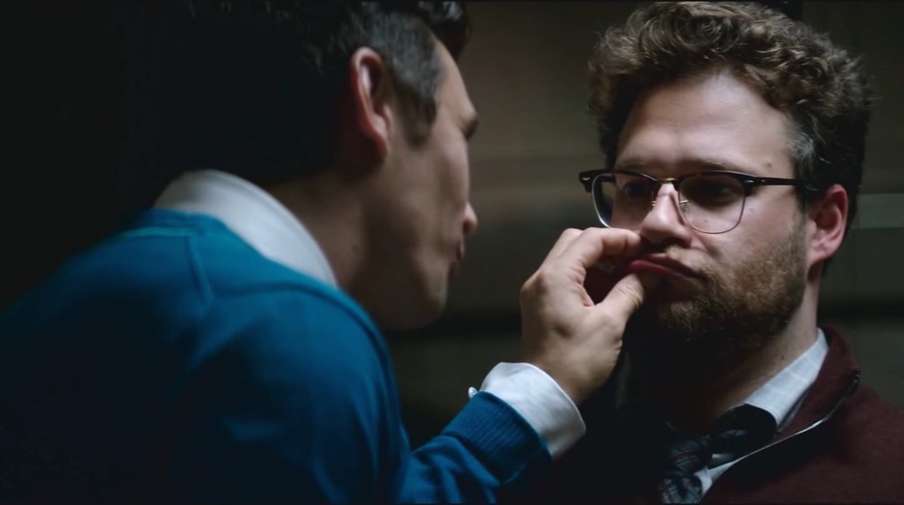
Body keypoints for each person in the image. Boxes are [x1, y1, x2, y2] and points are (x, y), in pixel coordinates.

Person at [0, 2, 654, 503]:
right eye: (463, 133)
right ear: (373, 99)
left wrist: (537, 392)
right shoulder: (287, 330)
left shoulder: (89, 290)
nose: (471, 213)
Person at [517, 3, 904, 503]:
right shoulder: (525, 463)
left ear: (824, 224)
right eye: (635, 187)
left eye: (715, 188)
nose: (656, 221)